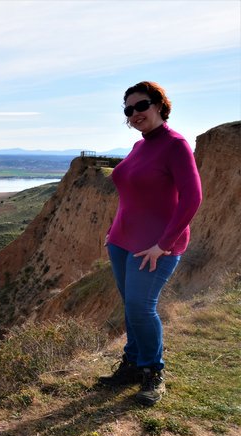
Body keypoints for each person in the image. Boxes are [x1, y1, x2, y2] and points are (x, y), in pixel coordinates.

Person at [98, 81, 202, 406]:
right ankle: (131, 365)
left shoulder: (175, 145)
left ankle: (153, 372)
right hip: (122, 242)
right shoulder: (138, 147)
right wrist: (113, 231)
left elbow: (192, 198)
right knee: (132, 307)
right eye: (128, 110)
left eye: (140, 106)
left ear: (158, 104)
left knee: (142, 308)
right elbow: (130, 194)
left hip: (155, 247)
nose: (134, 114)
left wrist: (164, 243)